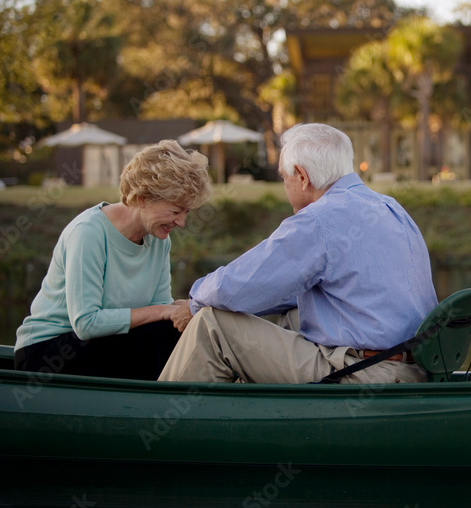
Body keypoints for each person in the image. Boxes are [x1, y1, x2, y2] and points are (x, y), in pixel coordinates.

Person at [159, 123, 437, 385]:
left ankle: (158, 416)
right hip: (417, 367)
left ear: (302, 177)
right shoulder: (390, 207)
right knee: (293, 313)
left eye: (284, 176)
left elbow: (242, 283)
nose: (285, 185)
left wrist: (194, 304)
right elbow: (281, 288)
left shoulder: (320, 219)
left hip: (365, 374)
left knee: (212, 325)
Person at [14, 140, 213, 380]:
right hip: (47, 354)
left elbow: (160, 308)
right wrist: (164, 311)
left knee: (178, 329)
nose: (181, 222)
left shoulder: (160, 239)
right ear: (143, 199)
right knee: (165, 334)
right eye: (175, 211)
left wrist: (190, 308)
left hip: (100, 344)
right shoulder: (88, 233)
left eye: (186, 212)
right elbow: (86, 323)